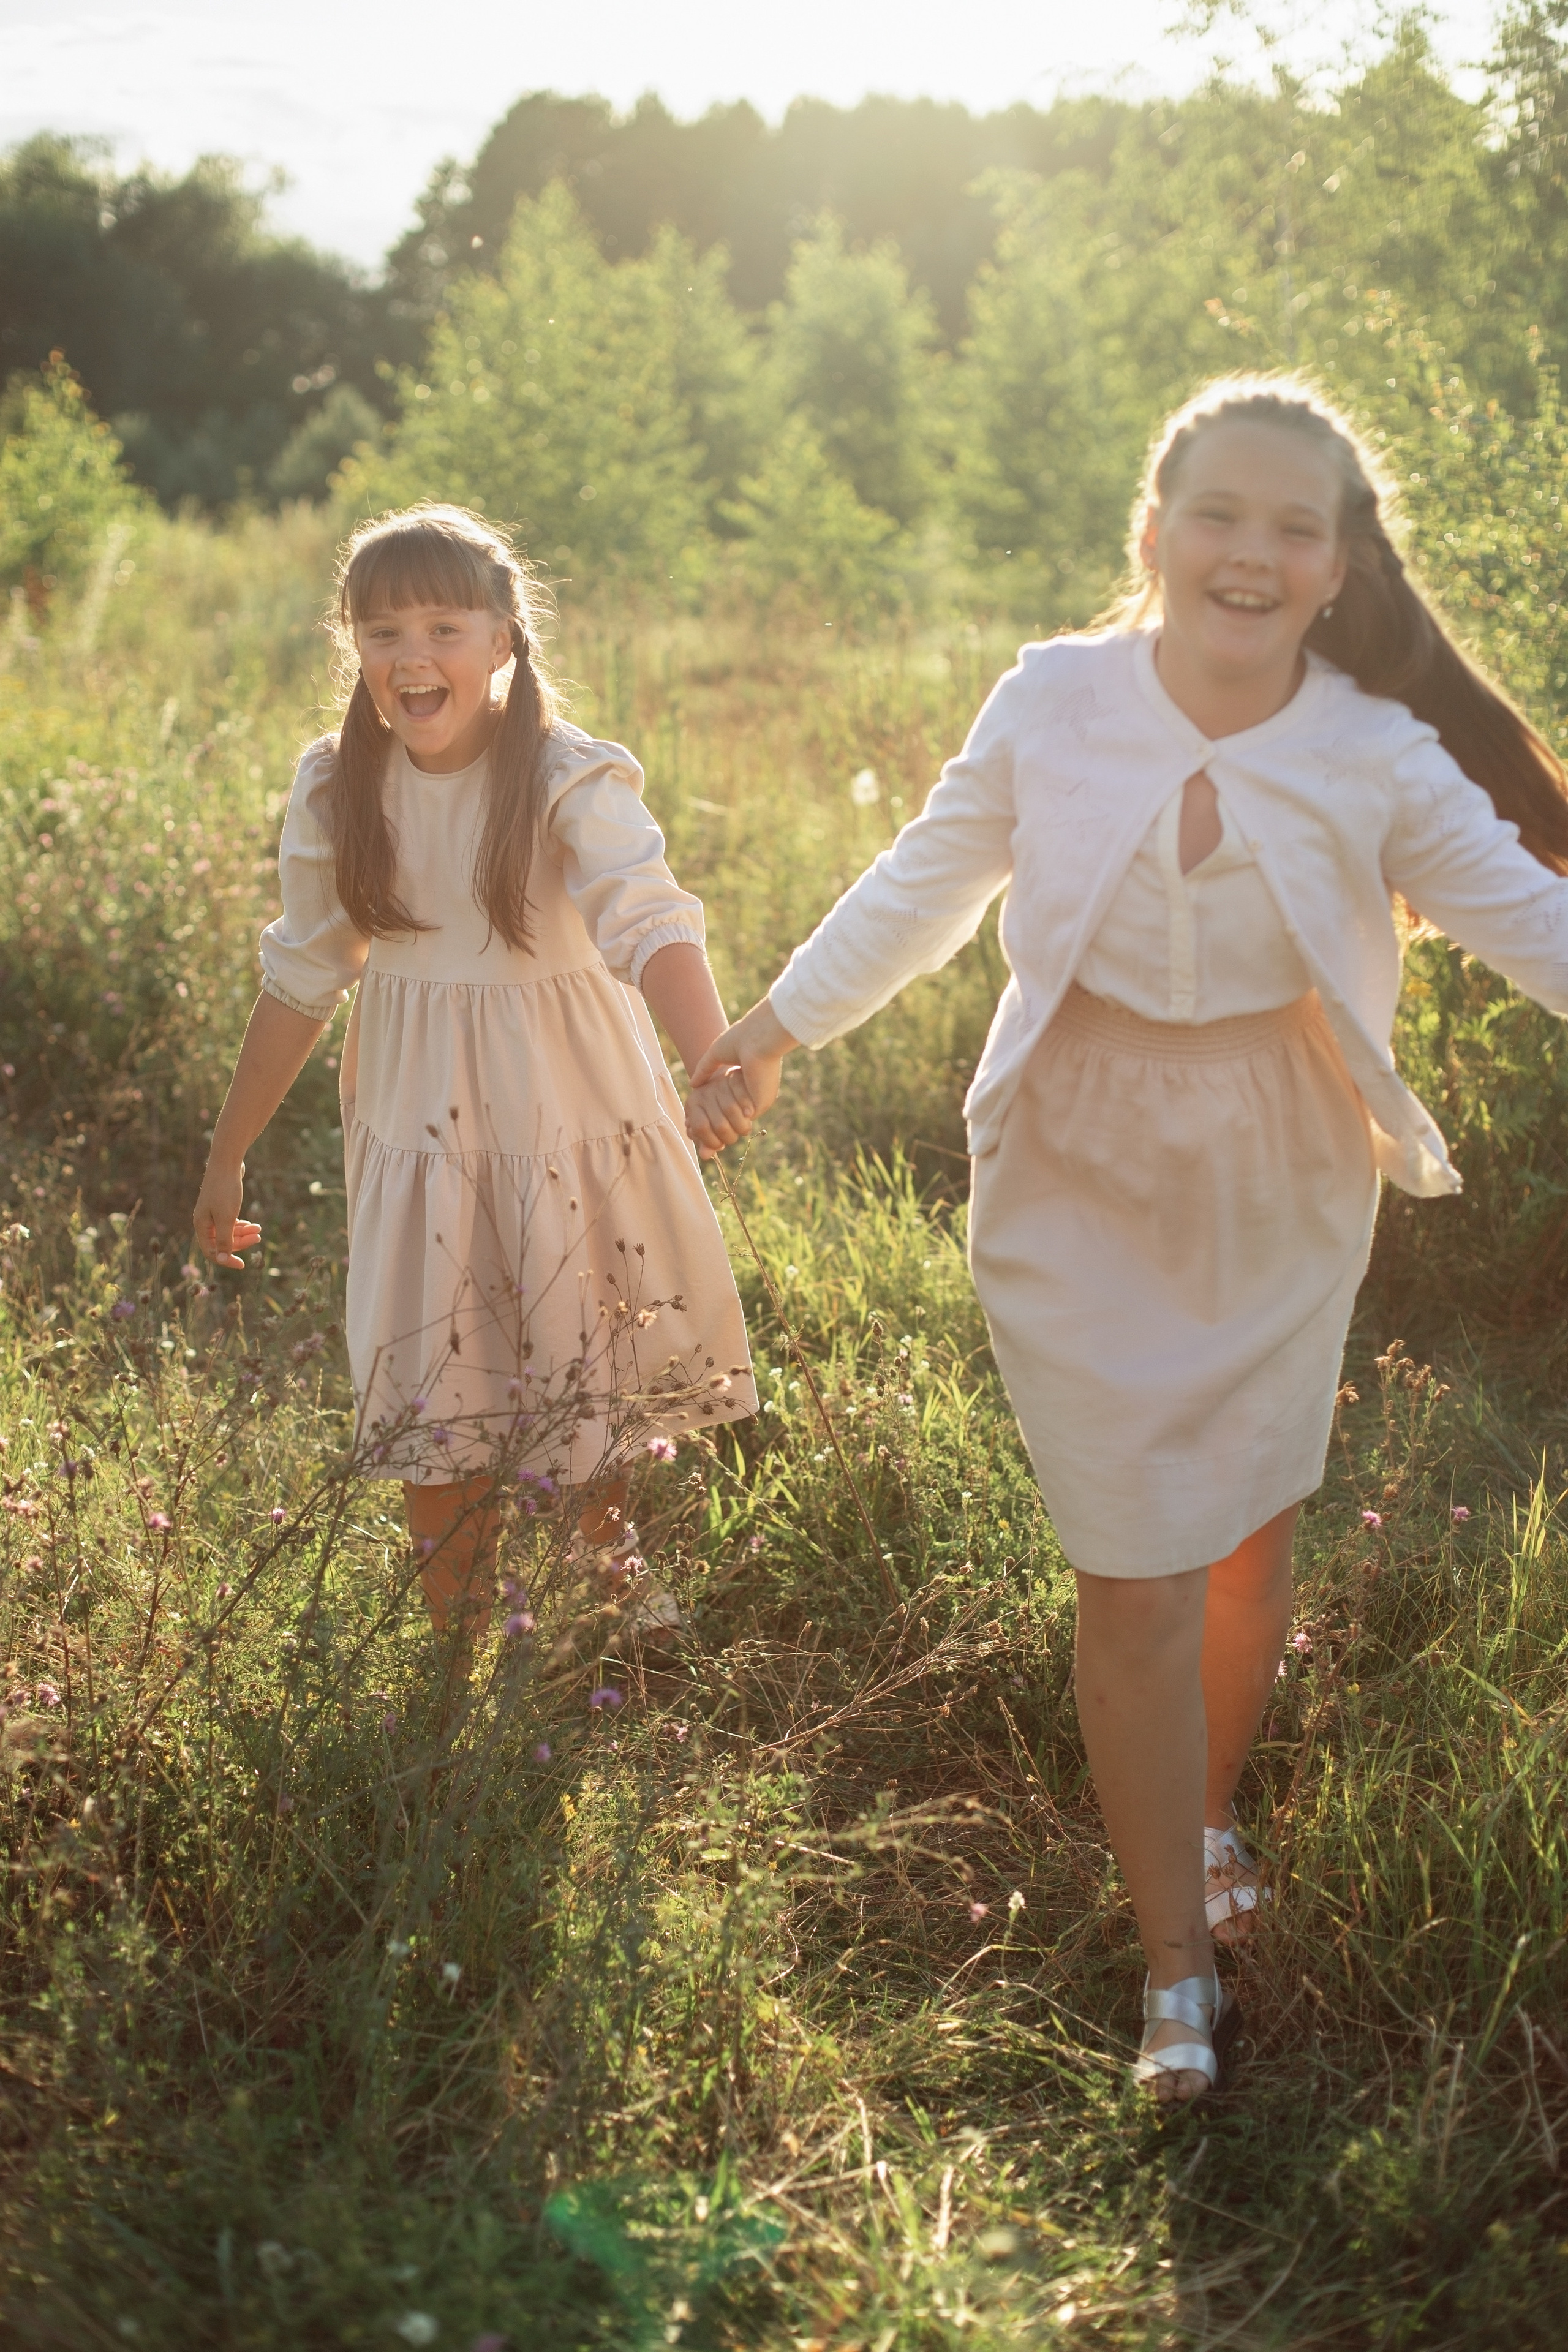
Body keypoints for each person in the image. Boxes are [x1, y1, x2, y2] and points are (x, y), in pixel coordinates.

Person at [684, 373, 1568, 2105]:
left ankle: (1211, 1806)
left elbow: (1532, 920)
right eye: (1218, 516)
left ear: (1336, 570)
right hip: (1076, 1159)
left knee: (1244, 1541)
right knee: (1137, 1570)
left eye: (1292, 529)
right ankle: (1176, 1969)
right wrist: (775, 1025)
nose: (1250, 552)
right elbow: (927, 879)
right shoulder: (1055, 702)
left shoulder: (1373, 752)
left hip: (1277, 1168)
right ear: (1153, 533)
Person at [193, 503, 753, 1659]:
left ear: (504, 640)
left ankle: (611, 1591)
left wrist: (712, 1057)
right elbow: (300, 982)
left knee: (585, 1356)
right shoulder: (339, 787)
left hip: (570, 1110)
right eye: (383, 630)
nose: (412, 657)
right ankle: (461, 1645)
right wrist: (226, 1147)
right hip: (423, 1128)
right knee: (430, 1379)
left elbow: (650, 918)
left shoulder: (560, 774)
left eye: (444, 626)